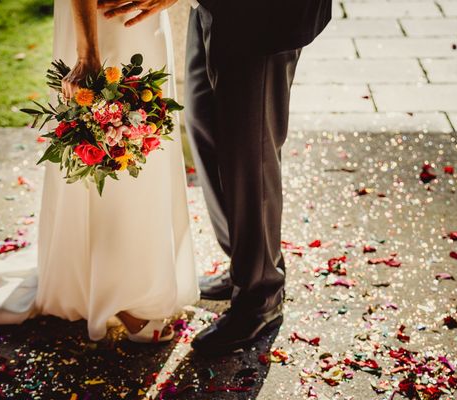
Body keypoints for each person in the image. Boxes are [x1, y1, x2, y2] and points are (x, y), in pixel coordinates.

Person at [99, 0, 332, 354]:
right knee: (204, 125)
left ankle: (260, 295)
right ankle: (245, 263)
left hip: (263, 16)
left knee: (249, 153)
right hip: (213, 7)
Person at [0, 0, 199, 343]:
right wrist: (88, 53)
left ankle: (140, 280)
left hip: (144, 23)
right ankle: (118, 292)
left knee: (143, 145)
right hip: (101, 24)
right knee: (107, 151)